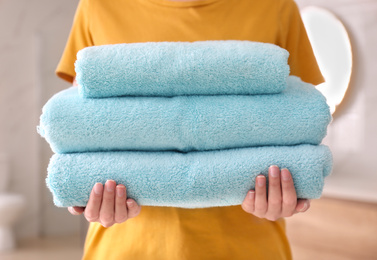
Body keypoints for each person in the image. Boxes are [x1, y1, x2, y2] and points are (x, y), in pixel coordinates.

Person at [56, 0, 324, 259]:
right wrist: (82, 189)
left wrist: (288, 190)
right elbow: (81, 128)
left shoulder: (275, 5)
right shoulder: (98, 5)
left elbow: (299, 118)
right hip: (124, 251)